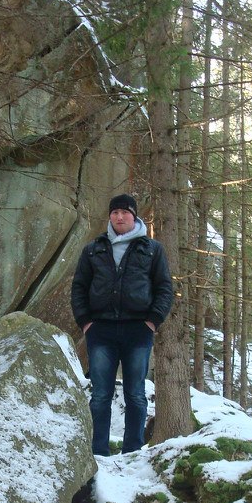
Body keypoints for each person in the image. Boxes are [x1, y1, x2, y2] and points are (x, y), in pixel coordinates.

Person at [71, 193, 174, 456]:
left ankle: (132, 451)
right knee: (100, 395)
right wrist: (86, 323)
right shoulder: (94, 249)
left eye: (125, 212)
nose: (119, 217)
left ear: (134, 216)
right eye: (115, 212)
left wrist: (152, 322)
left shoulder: (152, 249)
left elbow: (164, 288)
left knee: (136, 395)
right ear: (109, 216)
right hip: (101, 331)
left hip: (138, 331)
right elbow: (79, 288)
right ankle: (98, 452)